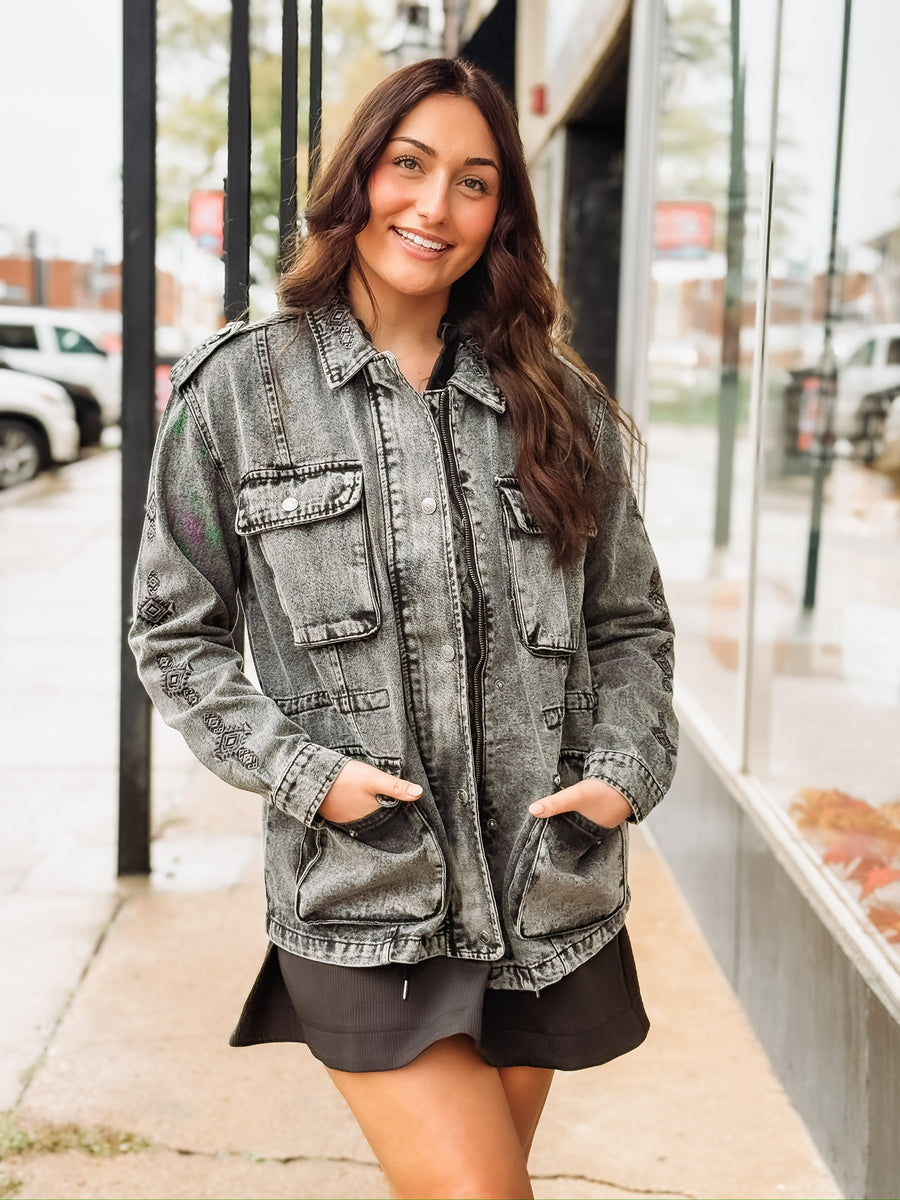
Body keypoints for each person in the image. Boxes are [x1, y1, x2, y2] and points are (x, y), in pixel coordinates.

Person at [130, 56, 677, 1200]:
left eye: (475, 182)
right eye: (409, 166)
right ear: (355, 178)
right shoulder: (237, 390)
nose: (435, 208)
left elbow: (627, 625)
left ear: (504, 216)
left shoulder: (555, 400)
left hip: (545, 891)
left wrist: (622, 773)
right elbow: (173, 634)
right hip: (367, 896)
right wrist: (305, 774)